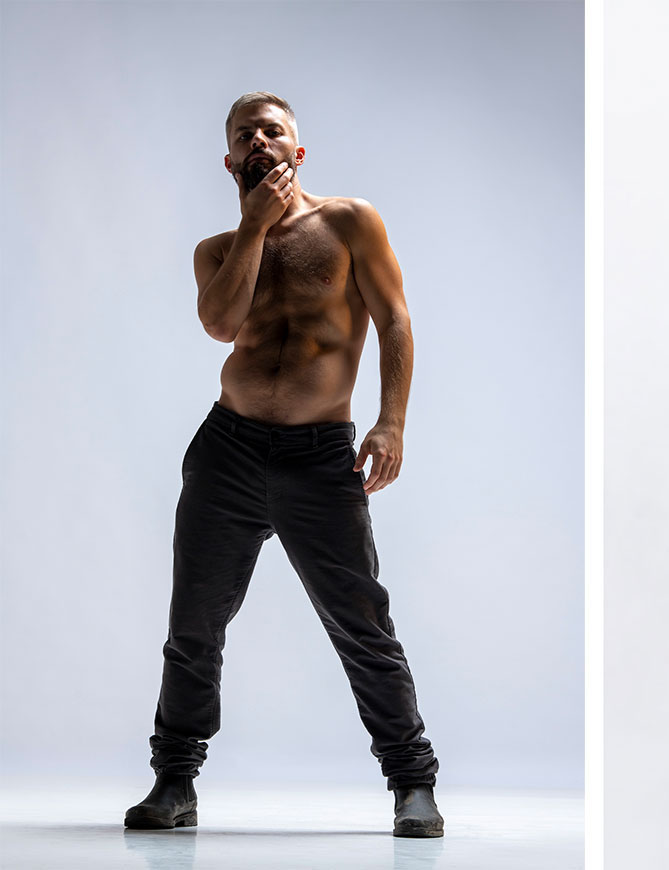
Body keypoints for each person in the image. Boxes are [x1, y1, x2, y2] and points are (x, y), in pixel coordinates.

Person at [123, 92, 442, 838]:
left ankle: (412, 780)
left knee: (362, 621)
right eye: (246, 136)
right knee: (194, 623)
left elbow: (395, 321)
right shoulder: (217, 251)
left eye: (275, 132)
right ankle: (175, 781)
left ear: (297, 153)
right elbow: (220, 324)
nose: (261, 141)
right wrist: (256, 226)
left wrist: (392, 419)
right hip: (227, 452)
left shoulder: (349, 222)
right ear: (232, 162)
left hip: (320, 456)